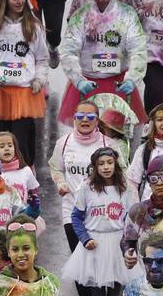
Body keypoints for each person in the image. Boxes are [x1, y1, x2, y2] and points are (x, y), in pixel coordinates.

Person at [58, 0, 148, 127]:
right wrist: (78, 80)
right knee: (87, 134)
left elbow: (138, 49)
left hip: (119, 85)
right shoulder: (80, 16)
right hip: (88, 84)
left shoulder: (127, 14)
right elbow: (68, 51)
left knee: (118, 136)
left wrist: (132, 79)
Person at [0, 0, 49, 167]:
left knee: (20, 143)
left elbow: (42, 58)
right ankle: (3, 180)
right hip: (0, 92)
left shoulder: (33, 25)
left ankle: (26, 179)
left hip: (25, 92)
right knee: (1, 143)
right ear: (5, 0)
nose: (19, 2)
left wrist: (39, 80)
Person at [65, 147, 136, 296]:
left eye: (109, 163)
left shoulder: (124, 187)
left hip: (117, 244)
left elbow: (129, 218)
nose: (106, 167)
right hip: (94, 245)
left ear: (115, 164)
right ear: (95, 166)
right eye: (101, 164)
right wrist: (84, 238)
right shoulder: (87, 187)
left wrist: (130, 243)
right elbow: (76, 216)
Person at [51, 101, 119, 252]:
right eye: (80, 116)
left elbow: (121, 174)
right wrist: (61, 183)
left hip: (100, 211)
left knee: (98, 259)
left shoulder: (109, 144)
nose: (85, 120)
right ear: (74, 119)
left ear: (97, 120)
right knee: (77, 257)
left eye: (90, 116)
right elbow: (56, 167)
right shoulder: (64, 143)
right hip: (72, 210)